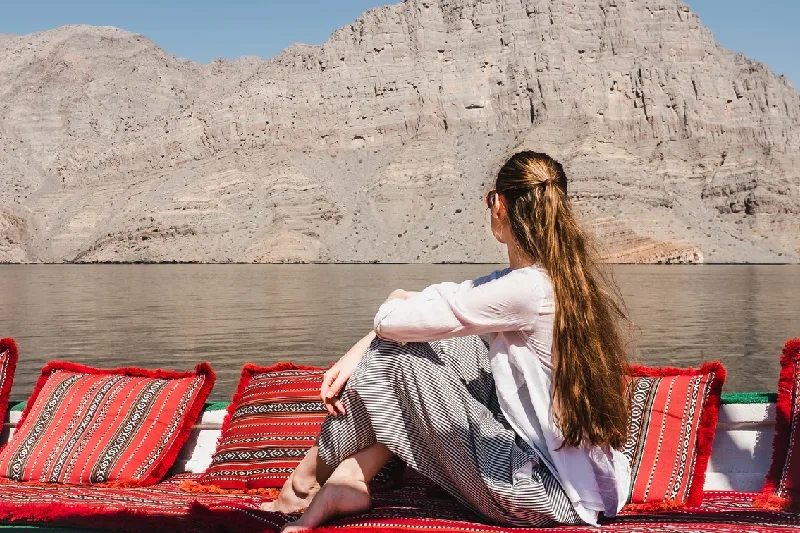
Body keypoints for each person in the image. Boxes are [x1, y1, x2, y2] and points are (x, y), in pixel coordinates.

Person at [266, 151, 632, 531]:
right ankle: (350, 476)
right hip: (586, 485)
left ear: (500, 206)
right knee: (453, 346)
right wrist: (361, 344)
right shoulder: (553, 279)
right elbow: (438, 299)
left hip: (541, 494)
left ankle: (305, 481)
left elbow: (392, 321)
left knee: (395, 354)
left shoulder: (525, 289)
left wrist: (377, 327)